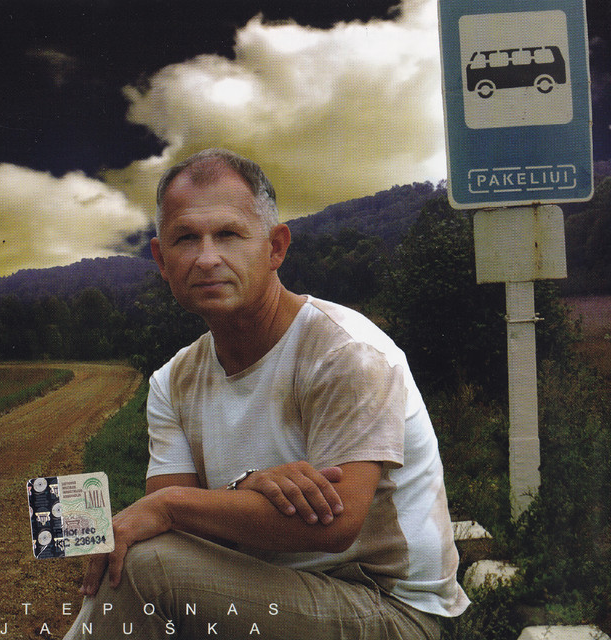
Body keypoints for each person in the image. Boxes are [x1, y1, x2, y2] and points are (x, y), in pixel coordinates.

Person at [64, 149, 469, 640]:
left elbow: (335, 524)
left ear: (276, 248)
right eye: (186, 238)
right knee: (139, 556)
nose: (207, 258)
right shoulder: (172, 380)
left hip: (386, 606)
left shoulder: (346, 353)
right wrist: (243, 488)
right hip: (270, 589)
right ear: (161, 260)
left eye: (229, 235)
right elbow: (179, 528)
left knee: (149, 569)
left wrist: (172, 504)